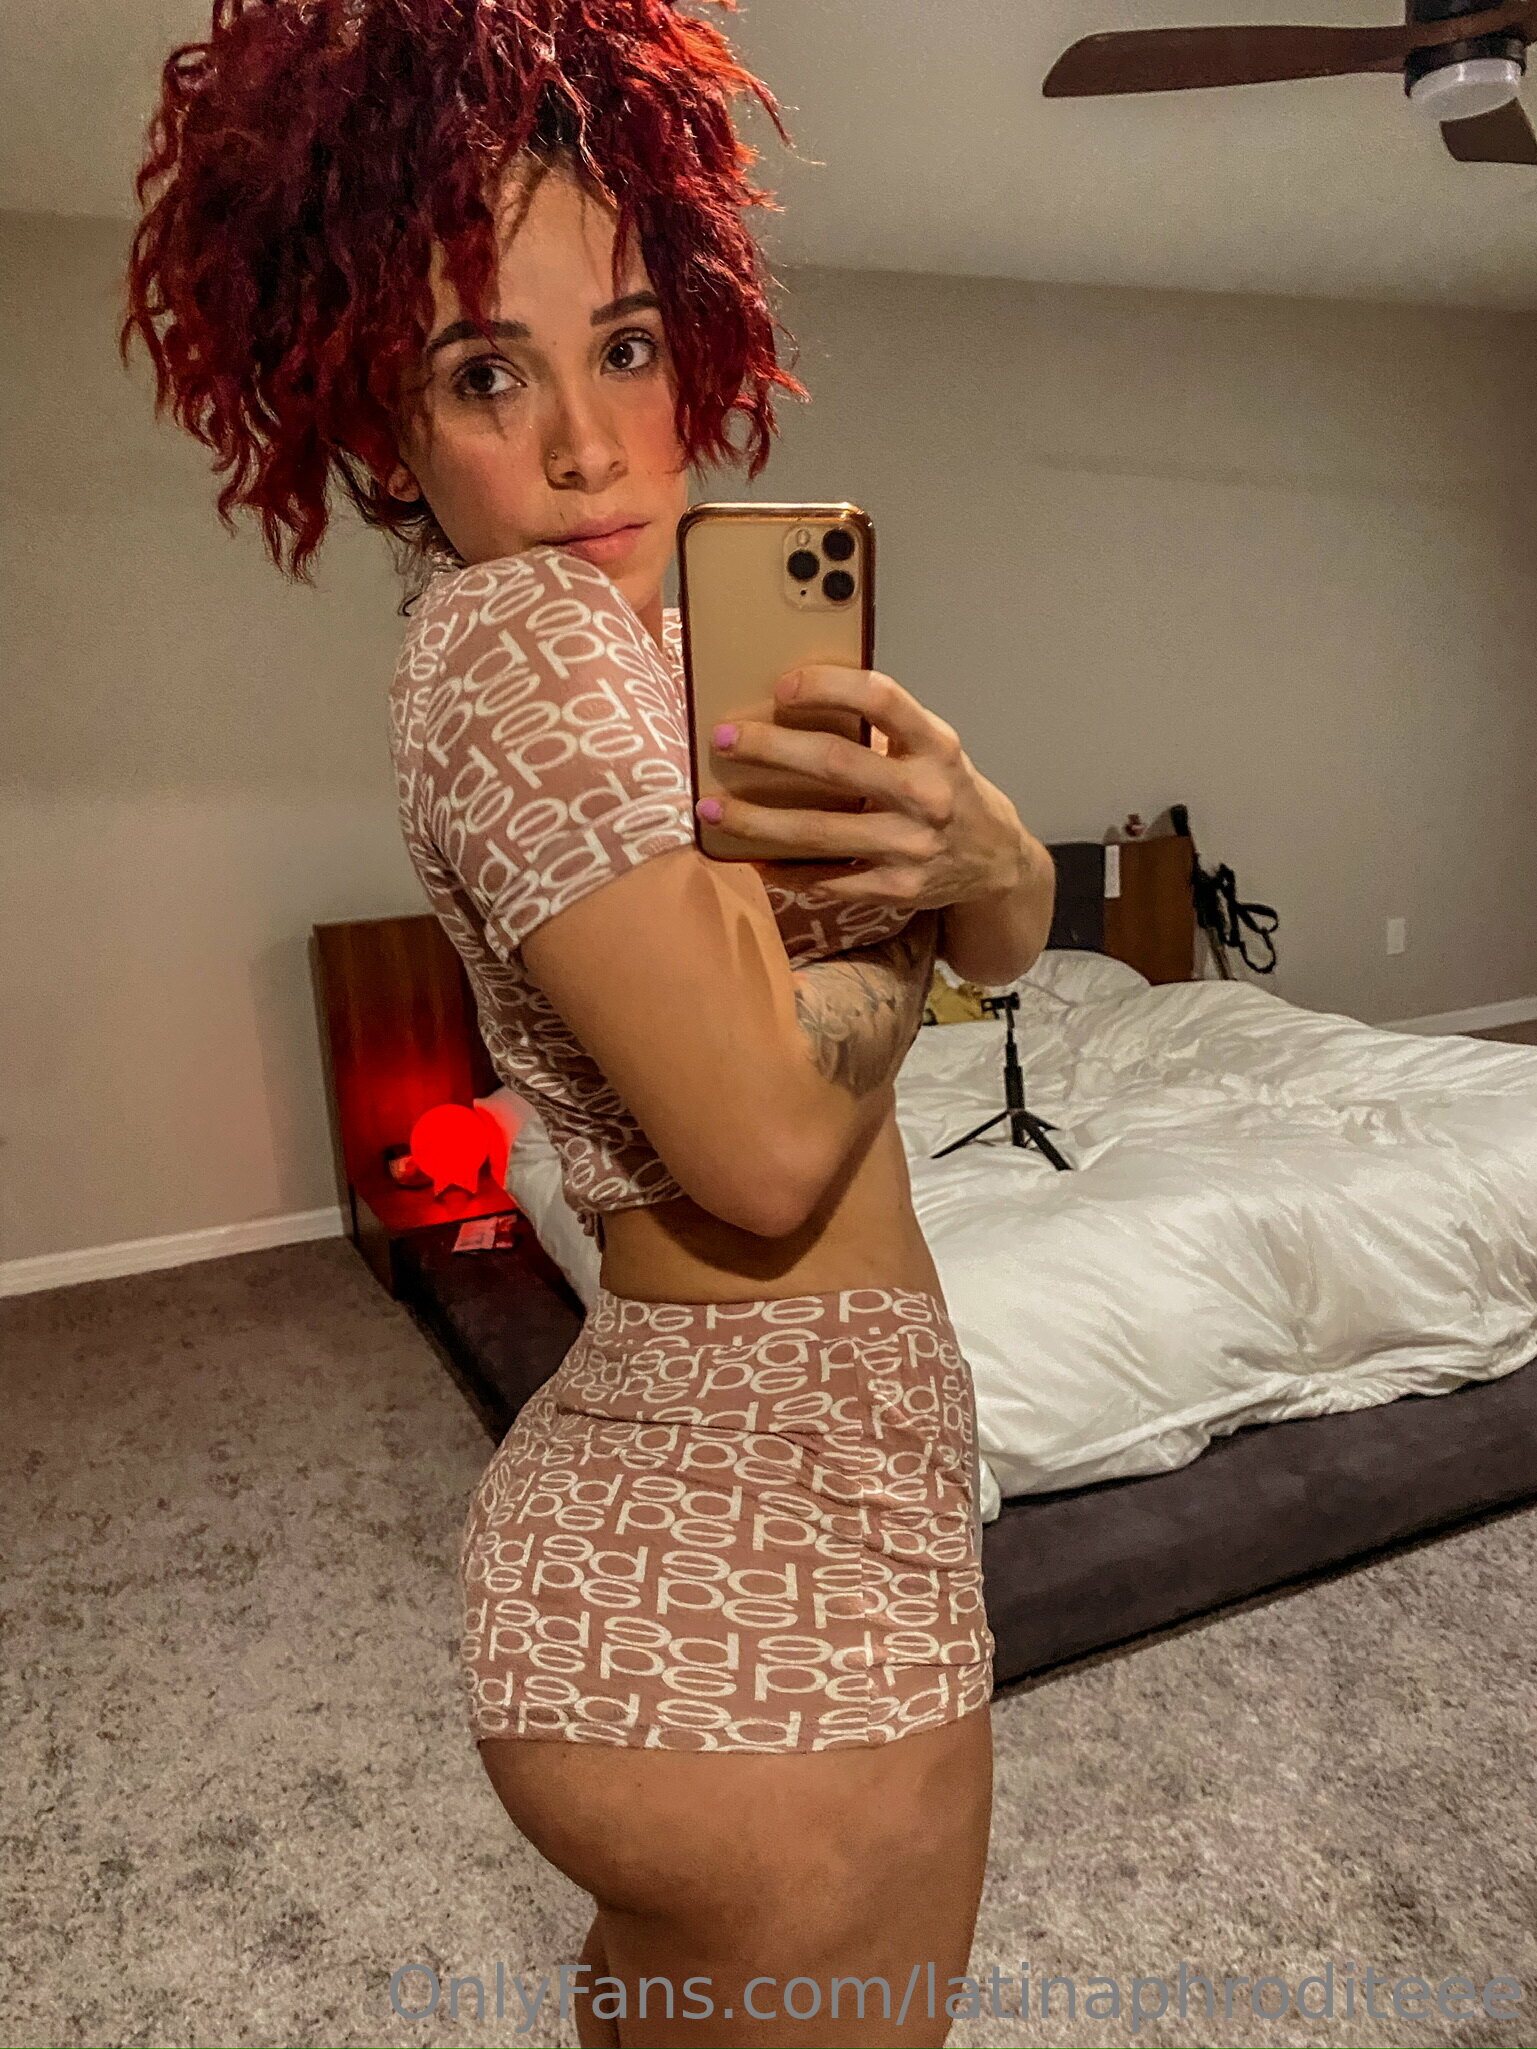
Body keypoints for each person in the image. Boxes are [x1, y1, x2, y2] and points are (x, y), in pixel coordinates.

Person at [121, 4, 1057, 2042]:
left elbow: (1014, 925)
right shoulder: (524, 637)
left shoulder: (664, 660)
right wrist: (920, 930)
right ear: (384, 433)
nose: (583, 443)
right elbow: (765, 1145)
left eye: (625, 346)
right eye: (487, 372)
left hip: (768, 1512)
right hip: (751, 1569)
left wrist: (978, 841)